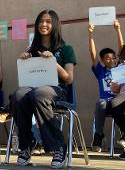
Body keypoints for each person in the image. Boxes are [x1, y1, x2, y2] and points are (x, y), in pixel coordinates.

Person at [11, 9, 76, 168]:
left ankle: (58, 146)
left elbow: (69, 77)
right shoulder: (31, 49)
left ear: (55, 24)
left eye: (48, 21)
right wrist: (23, 59)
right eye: (40, 21)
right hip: (34, 88)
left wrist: (53, 62)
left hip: (58, 90)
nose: (43, 24)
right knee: (18, 95)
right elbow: (25, 78)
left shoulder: (66, 48)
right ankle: (27, 144)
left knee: (38, 94)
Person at [88, 20, 123, 152]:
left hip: (119, 103)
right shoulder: (100, 71)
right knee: (100, 103)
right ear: (102, 60)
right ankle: (98, 135)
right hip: (105, 104)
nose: (112, 60)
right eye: (108, 58)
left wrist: (118, 29)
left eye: (114, 57)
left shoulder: (120, 68)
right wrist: (90, 34)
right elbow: (92, 54)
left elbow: (122, 50)